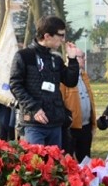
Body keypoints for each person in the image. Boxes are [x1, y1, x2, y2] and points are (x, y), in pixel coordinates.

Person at [9, 15, 80, 148]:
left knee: (54, 166)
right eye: (61, 35)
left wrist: (72, 60)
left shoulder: (55, 59)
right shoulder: (24, 56)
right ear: (47, 36)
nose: (63, 40)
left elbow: (71, 82)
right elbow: (15, 85)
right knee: (36, 165)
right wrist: (34, 108)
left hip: (55, 122)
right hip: (34, 123)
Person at [61, 51, 97, 161]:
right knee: (68, 160)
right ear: (73, 58)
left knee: (86, 160)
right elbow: (61, 99)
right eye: (82, 57)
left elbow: (90, 98)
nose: (84, 60)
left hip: (86, 126)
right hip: (71, 127)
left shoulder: (84, 75)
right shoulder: (64, 76)